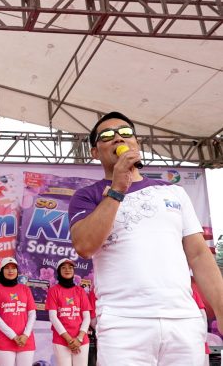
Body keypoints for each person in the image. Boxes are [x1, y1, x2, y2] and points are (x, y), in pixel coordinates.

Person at [68, 111, 223, 366]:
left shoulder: (173, 192)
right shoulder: (87, 196)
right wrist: (117, 189)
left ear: (136, 143)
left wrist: (220, 307)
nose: (118, 138)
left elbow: (198, 255)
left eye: (125, 132)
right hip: (123, 324)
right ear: (95, 152)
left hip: (183, 321)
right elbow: (84, 246)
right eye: (107, 135)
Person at [0, 257, 36, 366]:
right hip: (4, 342)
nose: (10, 271)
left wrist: (25, 335)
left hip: (25, 340)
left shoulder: (25, 289)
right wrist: (13, 336)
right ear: (2, 271)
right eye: (7, 268)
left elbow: (32, 314)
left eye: (13, 268)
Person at [46, 258, 91, 366]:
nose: (67, 270)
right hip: (61, 340)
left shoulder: (80, 291)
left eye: (70, 267)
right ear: (59, 271)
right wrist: (69, 340)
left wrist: (79, 339)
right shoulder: (53, 290)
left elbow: (87, 317)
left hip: (81, 340)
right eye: (64, 267)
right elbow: (53, 317)